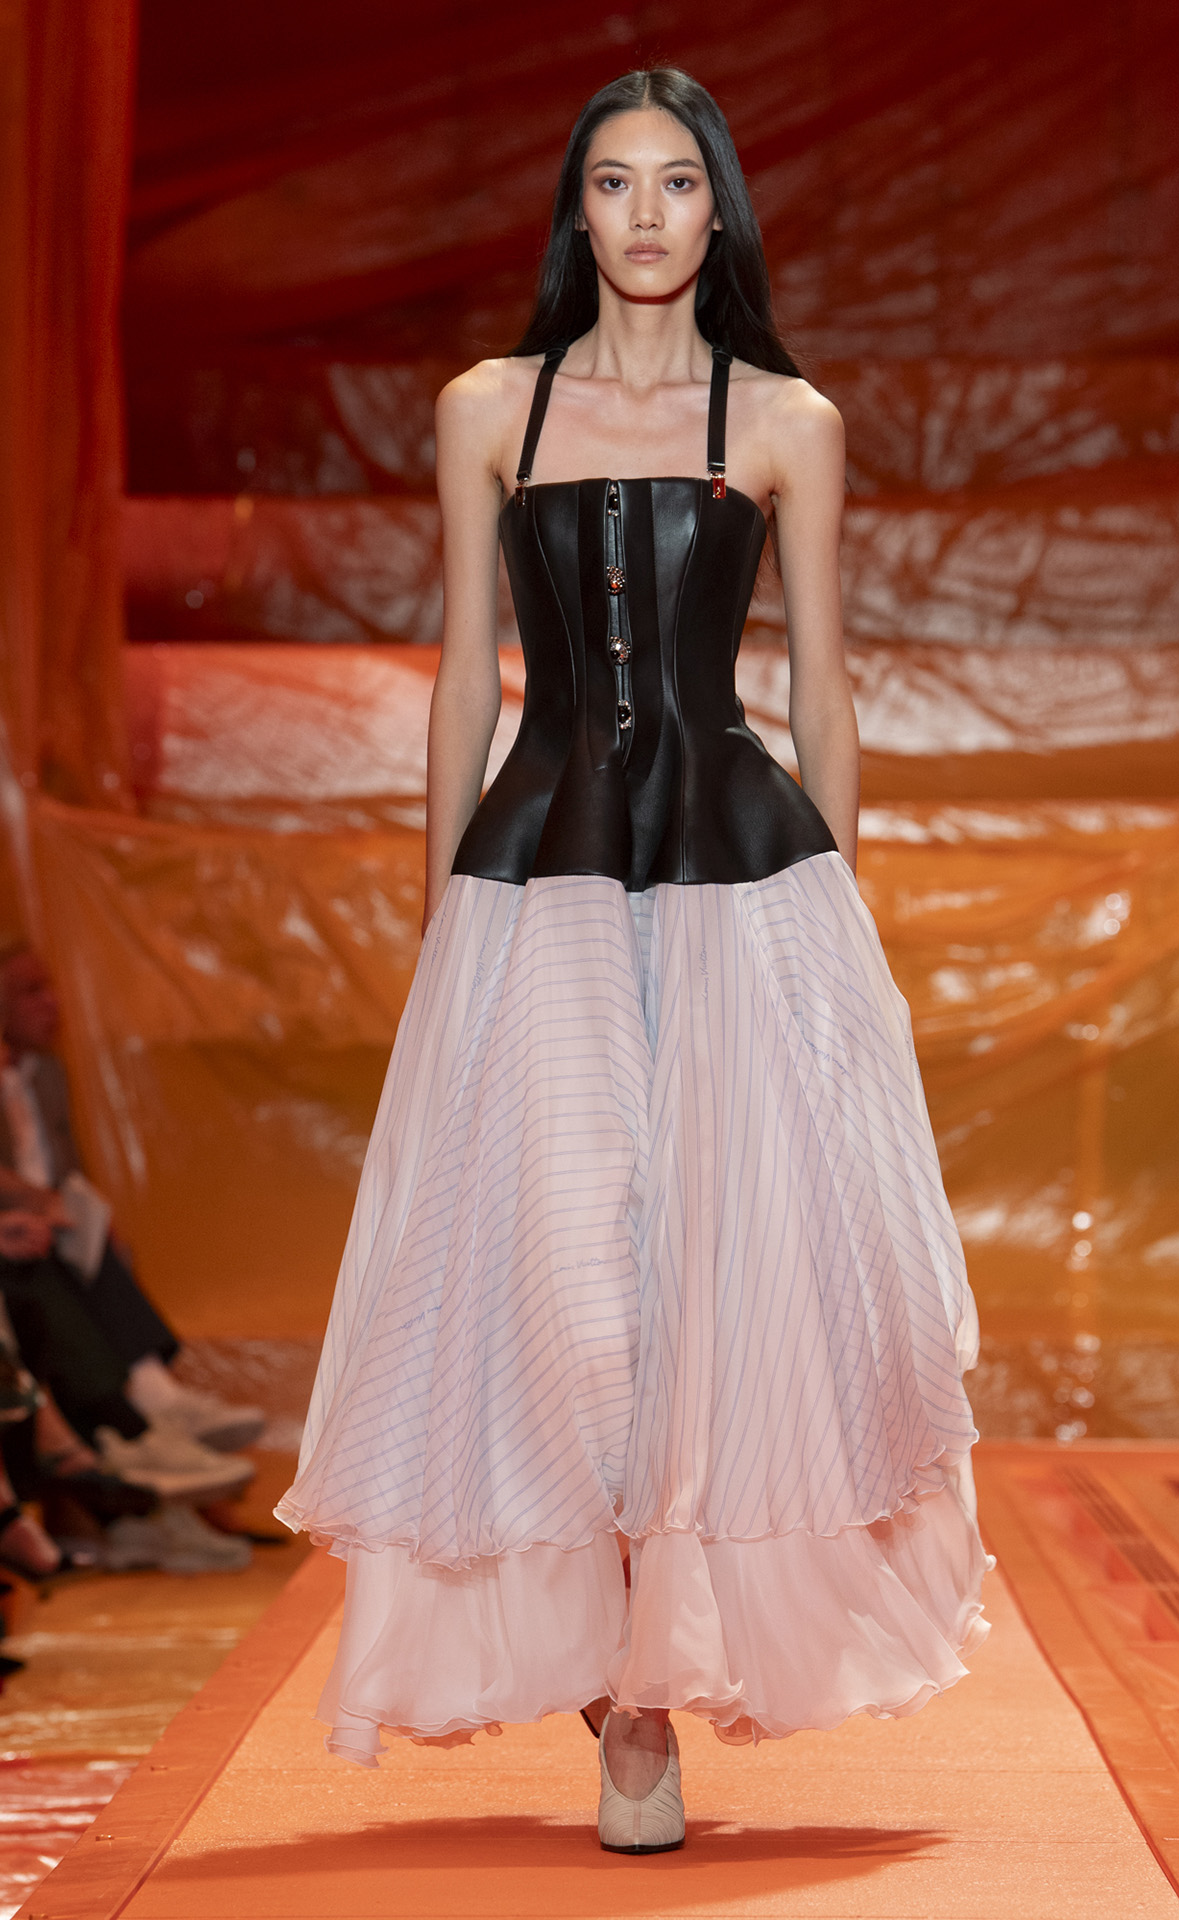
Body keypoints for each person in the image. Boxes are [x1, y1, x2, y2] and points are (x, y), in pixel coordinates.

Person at [278, 67, 990, 1854]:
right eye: (616, 182)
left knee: (714, 1293)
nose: (650, 213)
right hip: (541, 887)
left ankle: (651, 1701)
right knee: (559, 1291)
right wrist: (441, 918)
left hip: (744, 888)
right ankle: (613, 1686)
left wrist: (843, 940)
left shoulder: (789, 419)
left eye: (680, 182)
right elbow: (466, 675)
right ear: (576, 211)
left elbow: (822, 687)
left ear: (720, 208)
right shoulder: (488, 407)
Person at [0, 945, 265, 1455]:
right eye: (31, 991)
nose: (52, 1002)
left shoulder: (48, 1073)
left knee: (99, 1240)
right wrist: (43, 1204)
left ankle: (152, 1401)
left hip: (52, 1223)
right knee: (48, 1257)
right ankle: (136, 1421)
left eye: (50, 987)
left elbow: (70, 1170)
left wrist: (87, 1212)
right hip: (19, 1230)